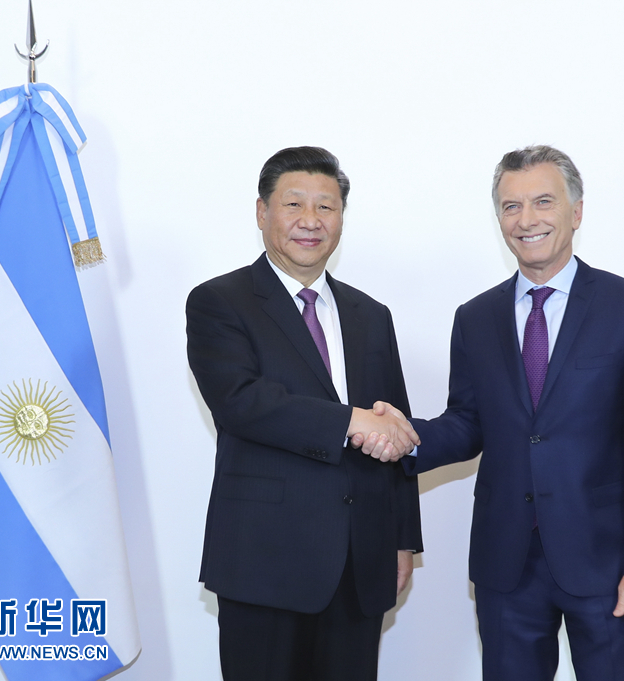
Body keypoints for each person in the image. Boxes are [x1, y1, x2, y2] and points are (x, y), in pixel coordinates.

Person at [364, 145, 624, 680]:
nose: (526, 219)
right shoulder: (475, 317)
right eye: (511, 206)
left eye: (543, 202)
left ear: (576, 212)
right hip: (506, 563)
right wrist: (405, 436)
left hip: (605, 563)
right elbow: (468, 423)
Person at [186, 146, 423, 681]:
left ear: (341, 218)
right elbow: (242, 402)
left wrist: (402, 539)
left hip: (360, 560)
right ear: (262, 211)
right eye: (294, 204)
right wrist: (350, 420)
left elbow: (395, 426)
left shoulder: (371, 314)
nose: (310, 221)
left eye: (326, 206)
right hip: (264, 559)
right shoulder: (220, 301)